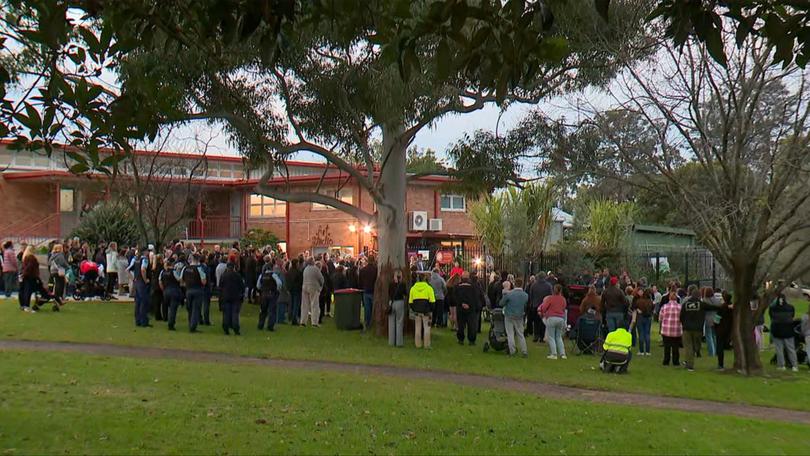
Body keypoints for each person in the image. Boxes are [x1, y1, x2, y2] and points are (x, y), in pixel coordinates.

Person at [500, 278, 529, 357]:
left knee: (510, 334)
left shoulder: (509, 294)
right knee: (520, 334)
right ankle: (524, 351)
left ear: (514, 284)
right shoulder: (525, 295)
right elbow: (526, 305)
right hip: (519, 316)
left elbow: (501, 303)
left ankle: (512, 351)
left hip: (509, 315)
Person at [769, 293, 799, 371]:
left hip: (777, 330)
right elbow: (792, 316)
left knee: (779, 349)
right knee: (791, 349)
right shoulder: (791, 308)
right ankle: (794, 365)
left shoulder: (773, 308)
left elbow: (771, 317)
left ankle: (781, 365)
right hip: (788, 331)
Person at [680, 285, 706, 371]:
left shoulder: (685, 304)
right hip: (698, 328)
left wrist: (683, 323)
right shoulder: (701, 304)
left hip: (687, 328)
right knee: (695, 346)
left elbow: (681, 316)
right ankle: (691, 360)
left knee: (688, 346)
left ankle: (689, 364)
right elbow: (711, 307)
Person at [539, 284, 567, 360]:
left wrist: (543, 313)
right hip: (561, 318)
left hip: (551, 318)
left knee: (551, 337)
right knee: (558, 337)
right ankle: (562, 354)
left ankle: (554, 354)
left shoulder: (550, 298)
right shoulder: (563, 299)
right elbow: (564, 308)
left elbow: (544, 308)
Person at [408, 272, 435, 349]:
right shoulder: (429, 288)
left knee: (417, 328)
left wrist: (414, 309)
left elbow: (410, 302)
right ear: (425, 279)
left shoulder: (413, 288)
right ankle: (427, 344)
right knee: (427, 328)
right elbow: (432, 301)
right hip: (427, 311)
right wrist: (430, 310)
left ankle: (418, 344)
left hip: (417, 311)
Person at [220, 255, 245, 335]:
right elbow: (242, 286)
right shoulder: (237, 275)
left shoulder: (224, 275)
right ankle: (236, 328)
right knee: (235, 313)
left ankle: (226, 328)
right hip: (235, 296)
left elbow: (220, 286)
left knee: (226, 313)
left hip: (226, 296)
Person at [181, 254, 207, 333]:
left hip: (188, 290)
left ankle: (190, 324)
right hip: (197, 290)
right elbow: (203, 281)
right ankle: (193, 327)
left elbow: (181, 279)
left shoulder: (185, 268)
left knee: (190, 308)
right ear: (198, 260)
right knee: (196, 309)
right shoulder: (199, 268)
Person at [455, 271, 481, 345]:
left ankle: (461, 339)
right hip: (471, 308)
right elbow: (476, 297)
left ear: (462, 277)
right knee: (471, 325)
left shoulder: (458, 286)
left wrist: (462, 303)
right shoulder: (473, 286)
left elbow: (455, 297)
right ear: (468, 277)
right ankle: (471, 340)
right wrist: (470, 305)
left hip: (460, 308)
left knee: (460, 325)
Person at [127, 249, 150, 327]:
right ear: (145, 252)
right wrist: (145, 280)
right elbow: (143, 269)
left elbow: (127, 269)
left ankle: (137, 321)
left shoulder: (135, 259)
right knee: (144, 302)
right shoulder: (145, 259)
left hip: (136, 282)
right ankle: (144, 322)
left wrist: (133, 279)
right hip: (142, 283)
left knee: (137, 303)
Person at [159, 258, 183, 331]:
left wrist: (164, 289)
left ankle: (167, 319)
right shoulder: (173, 271)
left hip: (166, 291)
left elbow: (160, 282)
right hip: (174, 291)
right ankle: (171, 324)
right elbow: (179, 279)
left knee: (168, 307)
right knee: (173, 309)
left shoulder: (162, 272)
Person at [528, 272, 552, 343]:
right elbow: (550, 296)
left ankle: (536, 335)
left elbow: (531, 295)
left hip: (535, 305)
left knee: (536, 321)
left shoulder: (534, 285)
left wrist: (531, 304)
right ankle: (542, 337)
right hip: (545, 306)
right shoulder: (549, 286)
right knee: (543, 322)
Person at [659, 291, 682, 366]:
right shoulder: (680, 307)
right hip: (677, 330)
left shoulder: (664, 307)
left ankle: (666, 361)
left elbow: (660, 318)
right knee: (676, 347)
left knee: (667, 347)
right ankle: (676, 361)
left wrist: (661, 327)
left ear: (669, 298)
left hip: (666, 330)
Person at [257, 259, 280, 331]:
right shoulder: (274, 275)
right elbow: (279, 284)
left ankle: (260, 325)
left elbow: (258, 285)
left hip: (264, 294)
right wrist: (277, 290)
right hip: (272, 294)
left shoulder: (261, 275)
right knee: (272, 311)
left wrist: (262, 289)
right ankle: (270, 326)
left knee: (263, 310)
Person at [301, 258, 323, 327]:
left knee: (304, 305)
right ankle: (314, 322)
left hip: (305, 287)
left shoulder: (305, 269)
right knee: (314, 305)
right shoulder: (315, 269)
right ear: (313, 262)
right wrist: (320, 286)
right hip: (313, 287)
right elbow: (321, 279)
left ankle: (303, 321)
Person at [632, 289, 654, 356]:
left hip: (640, 318)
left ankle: (641, 351)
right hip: (648, 318)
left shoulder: (639, 301)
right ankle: (647, 351)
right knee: (647, 334)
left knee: (641, 334)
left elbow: (633, 307)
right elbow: (653, 309)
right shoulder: (650, 302)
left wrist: (638, 310)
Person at [388, 270, 407, 347]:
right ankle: (399, 342)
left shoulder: (391, 284)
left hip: (391, 302)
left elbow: (389, 293)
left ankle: (391, 341)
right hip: (399, 302)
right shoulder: (402, 284)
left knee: (391, 322)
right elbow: (405, 293)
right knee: (399, 322)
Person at [715, 291, 734, 370]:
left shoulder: (722, 307)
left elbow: (717, 319)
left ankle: (720, 364)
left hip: (721, 328)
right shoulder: (733, 308)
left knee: (720, 346)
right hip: (729, 329)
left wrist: (715, 326)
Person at [359, 256, 377, 330]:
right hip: (373, 291)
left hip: (365, 290)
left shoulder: (363, 270)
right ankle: (373, 323)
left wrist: (362, 288)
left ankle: (367, 323)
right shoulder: (376, 270)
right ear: (373, 261)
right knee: (374, 308)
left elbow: (360, 281)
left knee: (367, 309)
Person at [287, 258, 303, 325]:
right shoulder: (298, 272)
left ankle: (290, 316)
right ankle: (294, 319)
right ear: (296, 264)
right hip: (297, 290)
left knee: (291, 303)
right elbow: (301, 282)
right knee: (296, 304)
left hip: (291, 289)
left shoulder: (289, 271)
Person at [149, 253, 164, 321]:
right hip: (158, 285)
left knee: (156, 301)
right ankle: (158, 316)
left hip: (154, 284)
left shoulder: (153, 266)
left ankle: (157, 314)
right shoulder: (161, 266)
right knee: (159, 301)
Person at [802, 305, 810, 369]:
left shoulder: (805, 316)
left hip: (808, 335)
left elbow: (803, 327)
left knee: (809, 351)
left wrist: (802, 333)